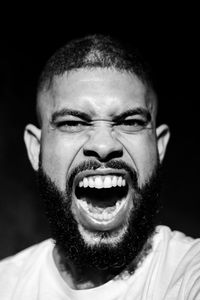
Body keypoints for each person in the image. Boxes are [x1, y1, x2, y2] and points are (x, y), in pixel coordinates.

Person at [0, 34, 199, 300]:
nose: (104, 145)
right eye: (72, 123)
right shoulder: (6, 284)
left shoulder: (188, 273)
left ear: (159, 146)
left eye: (131, 122)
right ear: (36, 148)